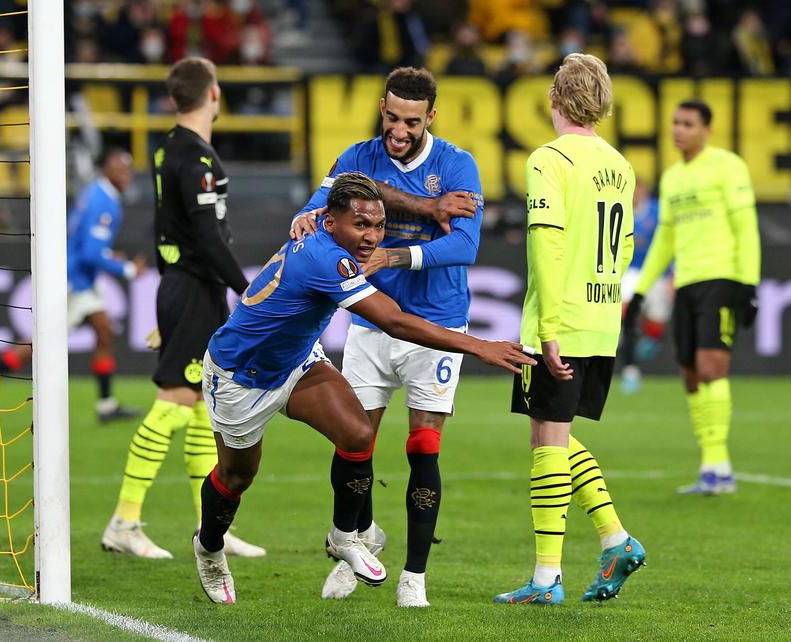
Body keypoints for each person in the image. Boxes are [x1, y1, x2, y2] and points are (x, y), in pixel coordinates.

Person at [193, 172, 534, 604]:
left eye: (378, 225)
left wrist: (316, 211)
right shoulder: (326, 258)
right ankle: (208, 547)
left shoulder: (322, 225)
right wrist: (480, 346)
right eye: (361, 225)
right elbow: (392, 320)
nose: (372, 236)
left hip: (296, 362)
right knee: (237, 476)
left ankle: (344, 536)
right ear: (333, 224)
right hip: (241, 376)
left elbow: (329, 199)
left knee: (357, 433)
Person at [290, 66, 483, 608]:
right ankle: (356, 544)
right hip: (373, 321)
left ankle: (414, 577)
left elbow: (465, 245)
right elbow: (315, 205)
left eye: (412, 122)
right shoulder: (356, 158)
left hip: (438, 322)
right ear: (382, 107)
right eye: (392, 117)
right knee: (355, 439)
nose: (399, 131)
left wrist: (396, 254)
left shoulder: (457, 164)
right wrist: (306, 220)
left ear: (431, 118)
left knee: (423, 446)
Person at [101, 57, 264, 560]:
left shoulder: (166, 147)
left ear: (173, 99)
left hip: (187, 286)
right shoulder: (194, 159)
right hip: (195, 287)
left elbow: (165, 226)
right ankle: (125, 521)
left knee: (199, 409)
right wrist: (247, 289)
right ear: (213, 93)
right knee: (175, 399)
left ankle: (207, 526)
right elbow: (208, 237)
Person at [498, 53, 645, 606]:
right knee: (549, 436)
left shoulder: (548, 159)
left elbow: (547, 242)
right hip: (602, 317)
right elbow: (626, 245)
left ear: (553, 99)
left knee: (547, 444)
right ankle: (615, 539)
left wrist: (549, 330)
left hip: (558, 322)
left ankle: (545, 579)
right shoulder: (620, 165)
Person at [625, 99, 761, 496]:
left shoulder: (727, 165)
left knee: (711, 365)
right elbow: (665, 240)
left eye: (688, 123)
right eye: (675, 123)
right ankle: (710, 465)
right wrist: (639, 291)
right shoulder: (673, 178)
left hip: (722, 277)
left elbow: (745, 226)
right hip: (684, 282)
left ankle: (719, 467)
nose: (678, 130)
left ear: (706, 130)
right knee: (689, 372)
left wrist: (748, 285)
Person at [0, 149, 145, 424]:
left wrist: (107, 257)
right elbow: (90, 252)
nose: (127, 175)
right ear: (106, 170)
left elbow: (82, 241)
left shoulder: (93, 193)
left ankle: (107, 405)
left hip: (78, 275)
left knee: (104, 331)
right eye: (121, 169)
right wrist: (128, 268)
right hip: (74, 281)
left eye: (129, 170)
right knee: (42, 344)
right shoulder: (104, 202)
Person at [617, 176, 672, 394]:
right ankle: (630, 371)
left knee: (657, 322)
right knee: (625, 315)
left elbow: (670, 240)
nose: (634, 196)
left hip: (657, 273)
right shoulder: (620, 211)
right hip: (630, 272)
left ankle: (653, 338)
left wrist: (672, 275)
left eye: (637, 191)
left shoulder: (658, 212)